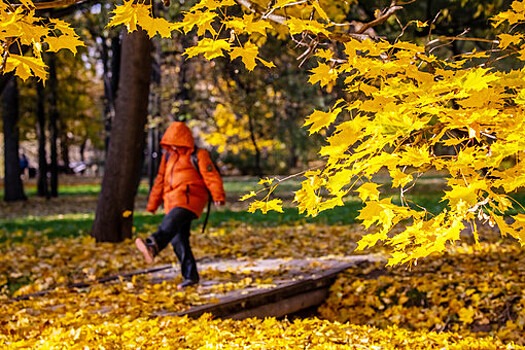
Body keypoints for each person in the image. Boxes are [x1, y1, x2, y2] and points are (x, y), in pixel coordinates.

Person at [135, 121, 226, 290]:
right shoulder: (168, 157)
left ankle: (153, 245)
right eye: (170, 144)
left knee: (170, 223)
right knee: (179, 240)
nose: (173, 147)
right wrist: (152, 204)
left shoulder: (199, 154)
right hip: (171, 201)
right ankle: (190, 277)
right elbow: (160, 180)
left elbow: (211, 175)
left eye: (176, 143)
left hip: (190, 199)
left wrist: (218, 195)